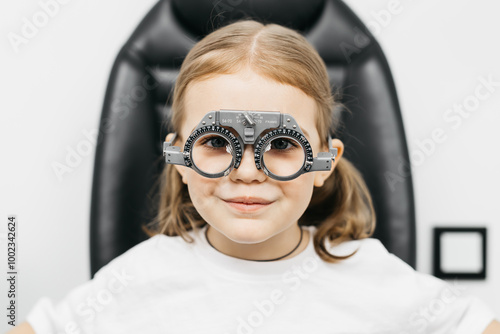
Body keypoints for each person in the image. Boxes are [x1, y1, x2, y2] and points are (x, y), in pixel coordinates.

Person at [10, 19, 500, 334]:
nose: (246, 172)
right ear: (179, 158)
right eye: (217, 143)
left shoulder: (373, 275)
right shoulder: (138, 278)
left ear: (325, 163)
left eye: (282, 145)